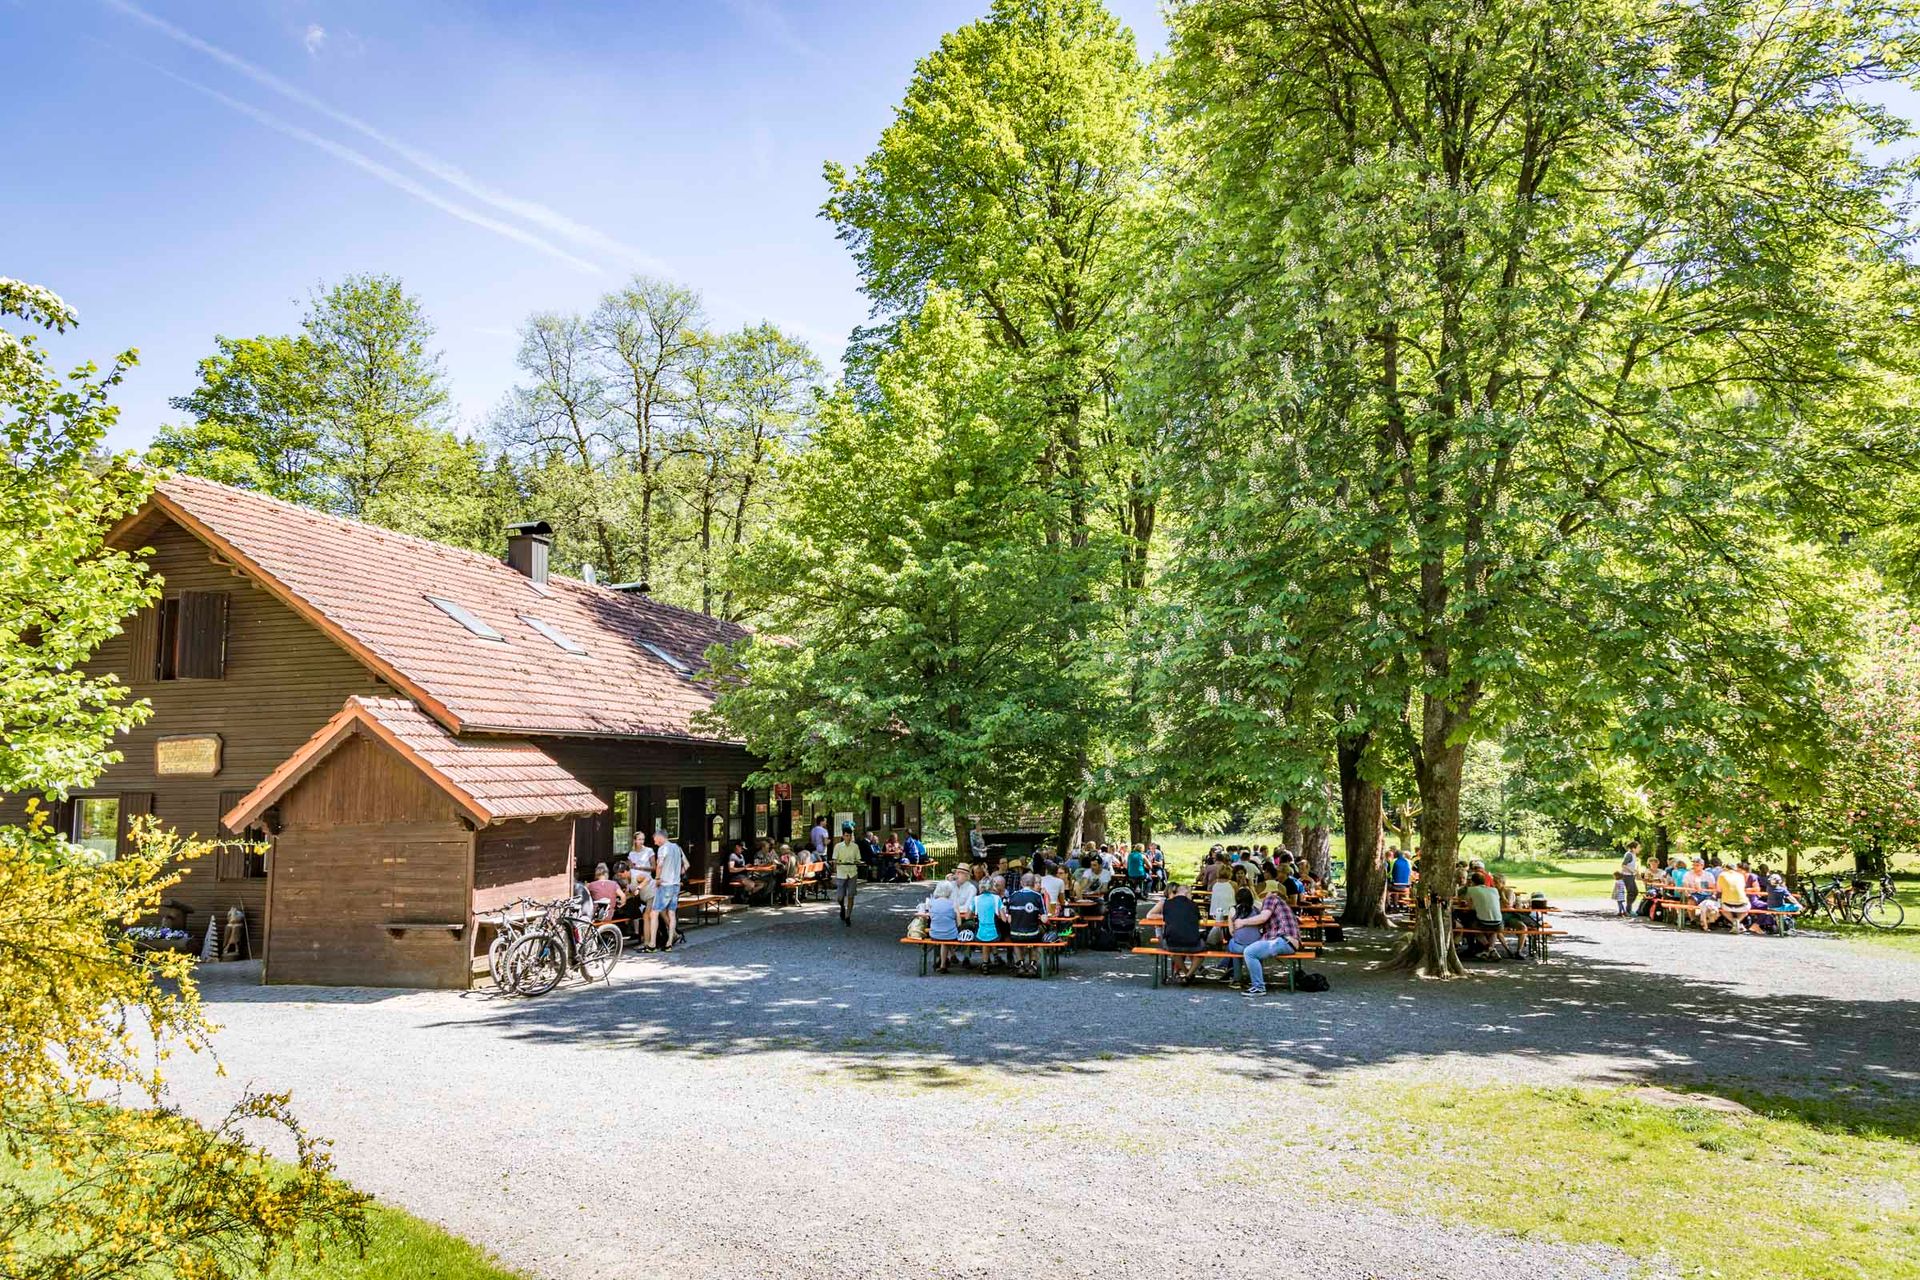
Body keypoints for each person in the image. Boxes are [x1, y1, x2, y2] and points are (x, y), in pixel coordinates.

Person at [1239, 882, 1303, 996]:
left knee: (1249, 952)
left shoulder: (1271, 898)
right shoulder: (1280, 903)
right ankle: (1256, 982)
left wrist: (1242, 922)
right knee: (1255, 949)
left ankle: (1258, 987)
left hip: (1284, 940)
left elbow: (1262, 918)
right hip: (1289, 942)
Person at [1146, 881, 1207, 984]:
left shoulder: (1167, 904)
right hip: (1192, 943)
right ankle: (1188, 975)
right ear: (1187, 893)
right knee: (1202, 950)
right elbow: (1199, 921)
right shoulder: (1193, 905)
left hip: (1172, 943)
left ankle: (1185, 973)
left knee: (1173, 950)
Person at [645, 828, 685, 953]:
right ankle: (669, 943)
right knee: (671, 913)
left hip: (665, 884)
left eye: (655, 839)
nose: (655, 842)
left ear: (660, 837)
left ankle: (652, 944)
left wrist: (657, 878)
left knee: (654, 912)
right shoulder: (677, 847)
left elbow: (660, 864)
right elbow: (684, 864)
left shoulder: (663, 849)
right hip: (676, 884)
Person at [971, 874, 1008, 968]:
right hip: (995, 935)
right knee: (993, 932)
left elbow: (968, 916)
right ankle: (992, 958)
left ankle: (985, 963)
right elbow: (1004, 919)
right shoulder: (996, 898)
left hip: (979, 935)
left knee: (984, 934)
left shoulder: (976, 899)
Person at [924, 880, 961, 971]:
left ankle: (946, 961)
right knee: (947, 936)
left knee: (944, 937)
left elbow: (932, 918)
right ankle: (945, 963)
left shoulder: (932, 903)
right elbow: (959, 922)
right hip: (950, 934)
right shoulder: (953, 904)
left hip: (934, 934)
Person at [832, 821, 861, 926]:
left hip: (852, 873)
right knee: (840, 897)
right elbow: (834, 860)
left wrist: (856, 862)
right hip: (841, 873)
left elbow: (858, 859)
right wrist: (836, 864)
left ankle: (848, 916)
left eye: (849, 836)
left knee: (851, 895)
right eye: (846, 836)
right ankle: (842, 907)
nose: (848, 838)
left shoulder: (855, 847)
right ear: (843, 836)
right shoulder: (838, 846)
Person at [1618, 841, 1641, 915]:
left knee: (1635, 892)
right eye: (1638, 847)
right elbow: (1623, 865)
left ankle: (1628, 908)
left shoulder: (1633, 855)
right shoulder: (1629, 855)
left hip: (1630, 875)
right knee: (1632, 892)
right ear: (1633, 848)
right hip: (1626, 875)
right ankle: (1628, 910)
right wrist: (1632, 871)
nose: (1639, 849)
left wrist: (1636, 872)